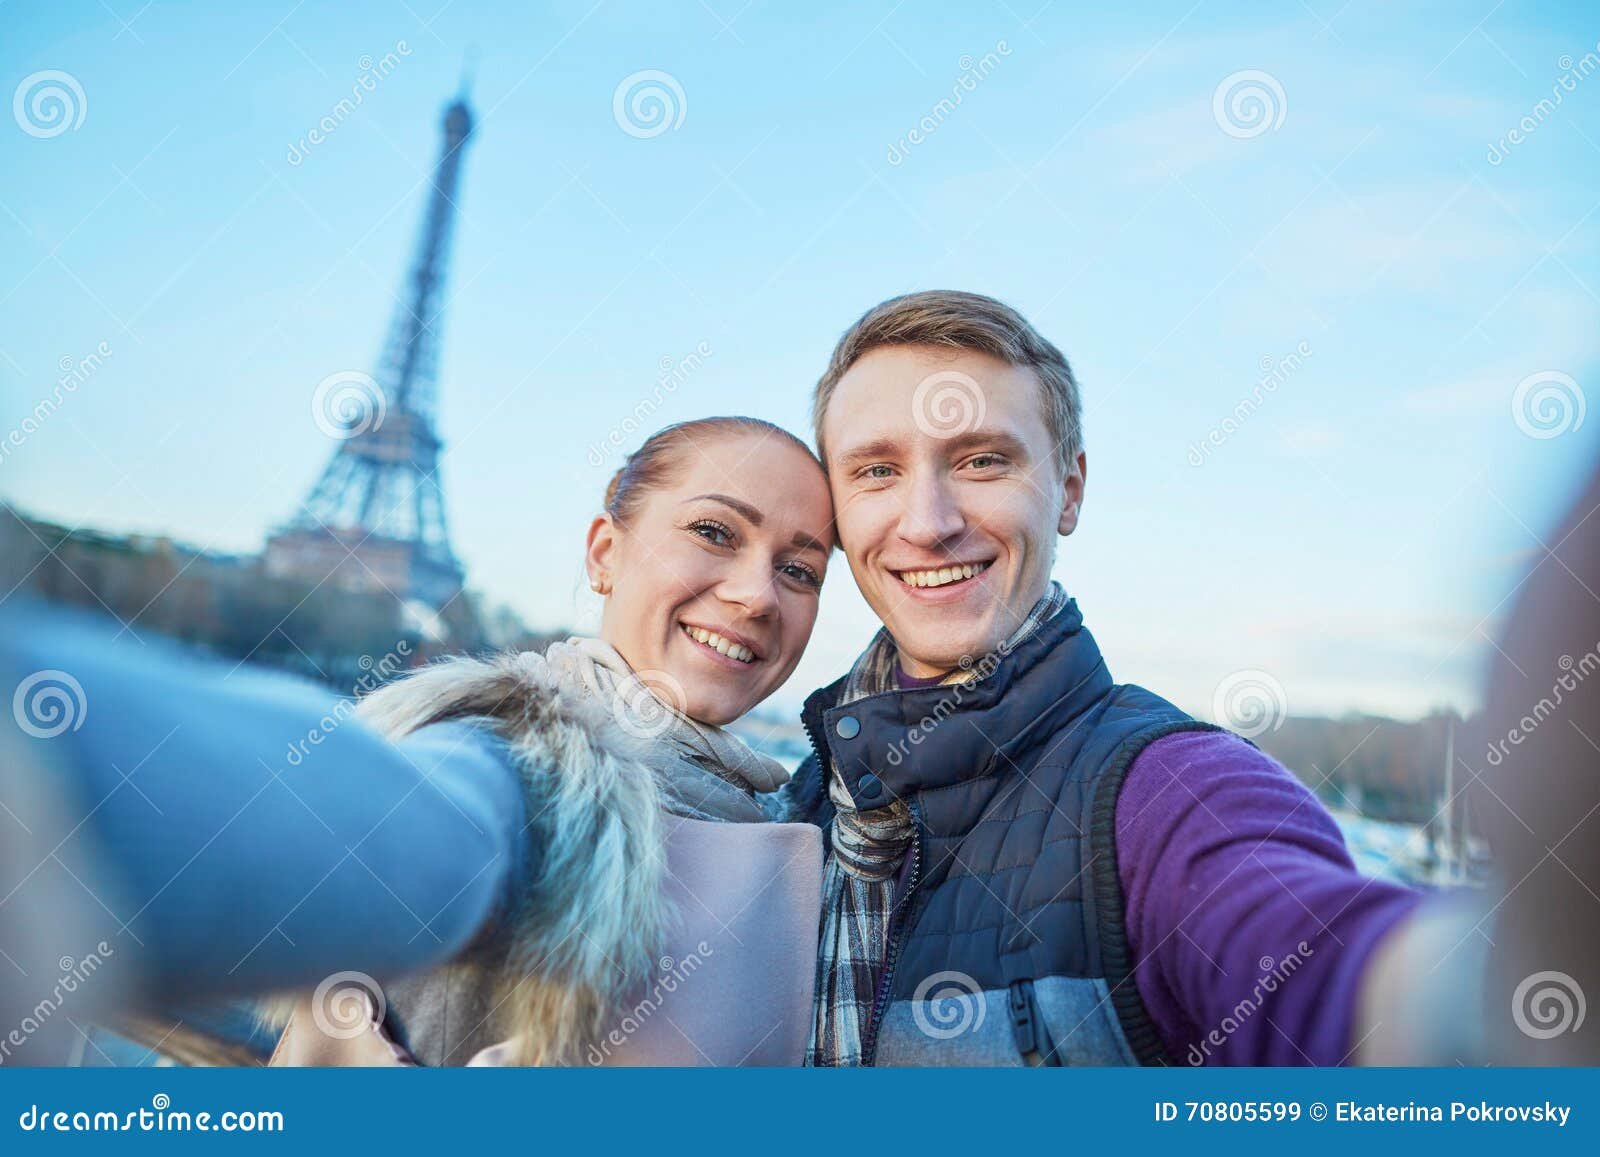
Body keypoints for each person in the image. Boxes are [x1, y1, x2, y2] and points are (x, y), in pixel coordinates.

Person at [780, 290, 1599, 1067]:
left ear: (1069, 490)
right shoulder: (806, 803)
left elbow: (1326, 977)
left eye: (983, 460)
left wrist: (1523, 988)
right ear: (840, 519)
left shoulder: (1171, 792)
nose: (928, 521)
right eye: (877, 471)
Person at [265, 415, 835, 1066]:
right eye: (714, 531)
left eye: (799, 570)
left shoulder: (790, 826)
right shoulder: (498, 756)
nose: (758, 595)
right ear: (604, 553)